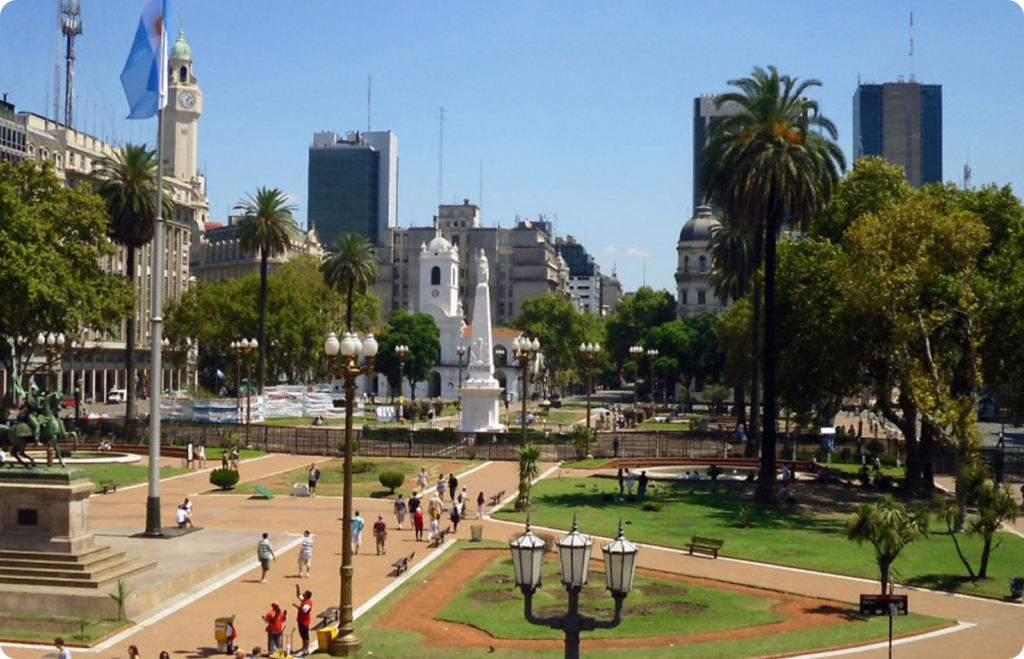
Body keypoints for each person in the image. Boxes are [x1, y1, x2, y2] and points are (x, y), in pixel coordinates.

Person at [293, 585, 313, 657]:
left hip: (304, 622)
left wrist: (296, 606)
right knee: (302, 635)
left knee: (305, 636)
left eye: (305, 593)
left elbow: (303, 611)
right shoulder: (304, 600)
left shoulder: (307, 603)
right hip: (300, 621)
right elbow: (298, 595)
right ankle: (303, 647)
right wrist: (298, 587)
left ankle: (306, 649)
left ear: (307, 595)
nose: (303, 594)